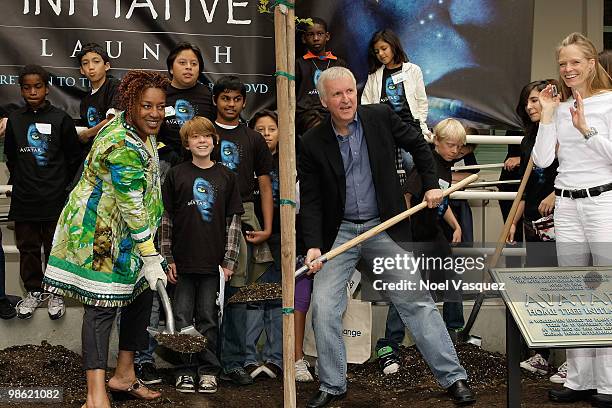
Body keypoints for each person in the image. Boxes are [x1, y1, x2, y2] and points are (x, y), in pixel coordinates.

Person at [299, 66, 475, 407]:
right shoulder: (312, 142)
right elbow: (312, 201)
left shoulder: (379, 117)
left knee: (416, 301)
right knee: (323, 307)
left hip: (384, 227)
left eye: (349, 91)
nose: (345, 99)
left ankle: (454, 378)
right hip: (341, 234)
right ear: (324, 101)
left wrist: (429, 185)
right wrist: (313, 246)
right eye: (336, 94)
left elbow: (420, 147)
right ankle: (333, 384)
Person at [42, 70, 170, 408]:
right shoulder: (121, 142)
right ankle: (95, 395)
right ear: (130, 104)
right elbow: (129, 203)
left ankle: (124, 375)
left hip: (132, 235)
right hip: (101, 235)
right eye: (147, 106)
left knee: (139, 298)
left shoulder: (143, 133)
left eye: (160, 106)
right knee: (101, 306)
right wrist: (152, 254)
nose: (155, 113)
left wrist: (148, 250)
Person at [532, 32, 612, 407]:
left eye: (575, 62)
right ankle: (579, 379)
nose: (568, 69)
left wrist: (586, 129)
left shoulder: (609, 103)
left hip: (602, 203)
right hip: (566, 205)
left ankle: (609, 384)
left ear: (591, 63)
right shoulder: (558, 108)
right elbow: (544, 161)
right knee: (576, 293)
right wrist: (548, 117)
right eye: (563, 63)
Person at [375, 118, 467, 376]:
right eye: (449, 145)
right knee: (408, 288)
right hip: (414, 235)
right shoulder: (426, 166)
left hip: (433, 233)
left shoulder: (446, 166)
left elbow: (441, 200)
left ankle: (452, 336)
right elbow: (407, 196)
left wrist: (456, 225)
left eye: (458, 147)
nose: (454, 151)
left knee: (451, 282)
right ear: (436, 141)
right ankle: (389, 344)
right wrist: (403, 232)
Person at [161, 116, 243, 394]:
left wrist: (228, 261)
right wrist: (167, 258)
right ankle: (184, 370)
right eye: (195, 137)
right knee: (182, 318)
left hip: (213, 265)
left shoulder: (226, 177)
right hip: (182, 264)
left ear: (214, 140)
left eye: (207, 136)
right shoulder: (175, 174)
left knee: (209, 317)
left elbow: (233, 223)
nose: (202, 141)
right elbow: (166, 218)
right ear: (187, 143)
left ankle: (208, 370)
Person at [4, 64, 80, 321]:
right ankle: (34, 292)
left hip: (54, 196)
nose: (32, 91)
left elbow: (73, 158)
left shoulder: (61, 119)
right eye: (27, 87)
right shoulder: (15, 119)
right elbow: (11, 157)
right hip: (25, 196)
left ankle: (55, 292)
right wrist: (23, 181)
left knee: (55, 246)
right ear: (22, 90)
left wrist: (60, 185)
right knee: (27, 246)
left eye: (38, 86)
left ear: (47, 89)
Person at [212, 75, 274, 386]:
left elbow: (264, 184)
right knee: (204, 292)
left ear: (244, 102)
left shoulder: (253, 139)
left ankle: (233, 361)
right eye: (225, 98)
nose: (231, 104)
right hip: (205, 214)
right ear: (215, 101)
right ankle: (203, 362)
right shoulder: (203, 133)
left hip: (244, 214)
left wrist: (266, 227)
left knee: (235, 292)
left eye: (237, 99)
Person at [505, 79, 560, 379]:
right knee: (541, 286)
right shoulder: (529, 138)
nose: (530, 106)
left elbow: (570, 169)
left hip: (560, 223)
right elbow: (525, 187)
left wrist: (556, 194)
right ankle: (542, 355)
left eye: (536, 100)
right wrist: (513, 220)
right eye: (527, 101)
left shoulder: (561, 130)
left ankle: (573, 359)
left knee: (564, 286)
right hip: (532, 223)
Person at [243, 110, 283, 379]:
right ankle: (248, 359)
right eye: (260, 129)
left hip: (282, 240)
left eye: (272, 129)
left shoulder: (289, 162)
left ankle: (275, 358)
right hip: (251, 236)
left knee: (277, 299)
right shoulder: (246, 160)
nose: (266, 134)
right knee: (252, 299)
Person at [362, 29, 430, 182]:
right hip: (384, 131)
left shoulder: (413, 70)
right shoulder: (374, 75)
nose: (381, 54)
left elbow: (421, 101)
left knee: (412, 166)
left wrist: (422, 125)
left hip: (409, 127)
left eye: (384, 48)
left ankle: (413, 203)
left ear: (393, 46)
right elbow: (365, 104)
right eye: (377, 51)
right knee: (385, 172)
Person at [158, 42, 216, 173]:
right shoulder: (160, 94)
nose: (188, 67)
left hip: (202, 164)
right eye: (182, 63)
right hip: (166, 164)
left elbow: (215, 131)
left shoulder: (208, 95)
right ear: (171, 68)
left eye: (194, 64)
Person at [295, 17, 346, 136]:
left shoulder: (338, 63)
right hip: (306, 117)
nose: (316, 38)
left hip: (333, 113)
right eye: (310, 35)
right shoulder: (298, 64)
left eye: (320, 34)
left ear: (327, 36)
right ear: (304, 38)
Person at [76, 43, 120, 161]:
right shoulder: (85, 101)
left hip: (116, 152)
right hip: (94, 155)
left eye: (96, 61)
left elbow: (114, 119)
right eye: (85, 63)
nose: (91, 67)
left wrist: (88, 133)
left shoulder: (113, 86)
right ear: (81, 70)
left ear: (106, 66)